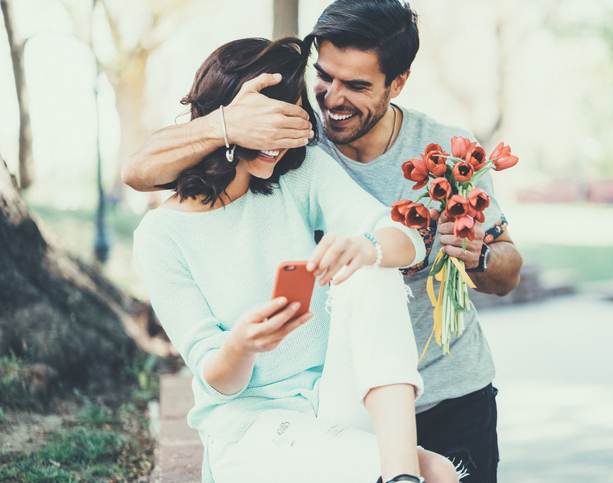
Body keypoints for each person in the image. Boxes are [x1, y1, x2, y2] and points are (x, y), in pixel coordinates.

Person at [124, 2, 524, 481]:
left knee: (369, 266)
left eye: (356, 85)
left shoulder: (445, 149)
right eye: (325, 76)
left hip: (444, 391)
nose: (332, 98)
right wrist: (226, 125)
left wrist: (464, 253)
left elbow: (505, 269)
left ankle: (402, 470)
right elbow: (137, 171)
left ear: (397, 83)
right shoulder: (293, 135)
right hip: (322, 403)